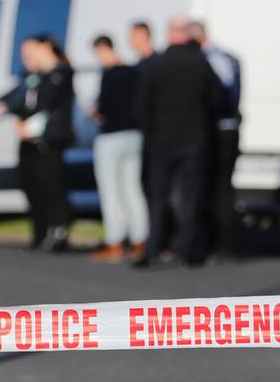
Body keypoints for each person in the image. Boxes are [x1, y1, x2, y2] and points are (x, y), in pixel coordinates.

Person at [135, 15, 219, 267]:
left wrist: (149, 134)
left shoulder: (155, 65)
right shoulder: (201, 64)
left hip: (161, 141)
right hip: (195, 140)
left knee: (157, 197)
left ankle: (153, 248)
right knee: (190, 196)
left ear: (169, 33)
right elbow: (215, 101)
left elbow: (141, 105)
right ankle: (188, 250)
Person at [0, 35, 75, 251]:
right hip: (29, 142)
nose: (26, 58)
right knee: (31, 184)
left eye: (30, 52)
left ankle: (58, 231)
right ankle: (40, 231)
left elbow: (47, 101)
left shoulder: (60, 74)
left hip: (49, 140)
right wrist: (5, 109)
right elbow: (16, 98)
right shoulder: (31, 77)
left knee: (52, 186)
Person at [89, 34, 149, 263]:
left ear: (102, 49)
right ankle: (140, 238)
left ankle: (114, 240)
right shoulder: (134, 71)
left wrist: (94, 113)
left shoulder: (110, 74)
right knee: (132, 189)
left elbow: (103, 108)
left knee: (111, 191)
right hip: (134, 135)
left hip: (112, 136)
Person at [189, 19, 243, 259]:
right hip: (226, 128)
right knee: (219, 187)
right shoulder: (223, 56)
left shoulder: (213, 59)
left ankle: (222, 245)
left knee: (219, 188)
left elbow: (222, 96)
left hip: (220, 130)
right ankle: (220, 243)